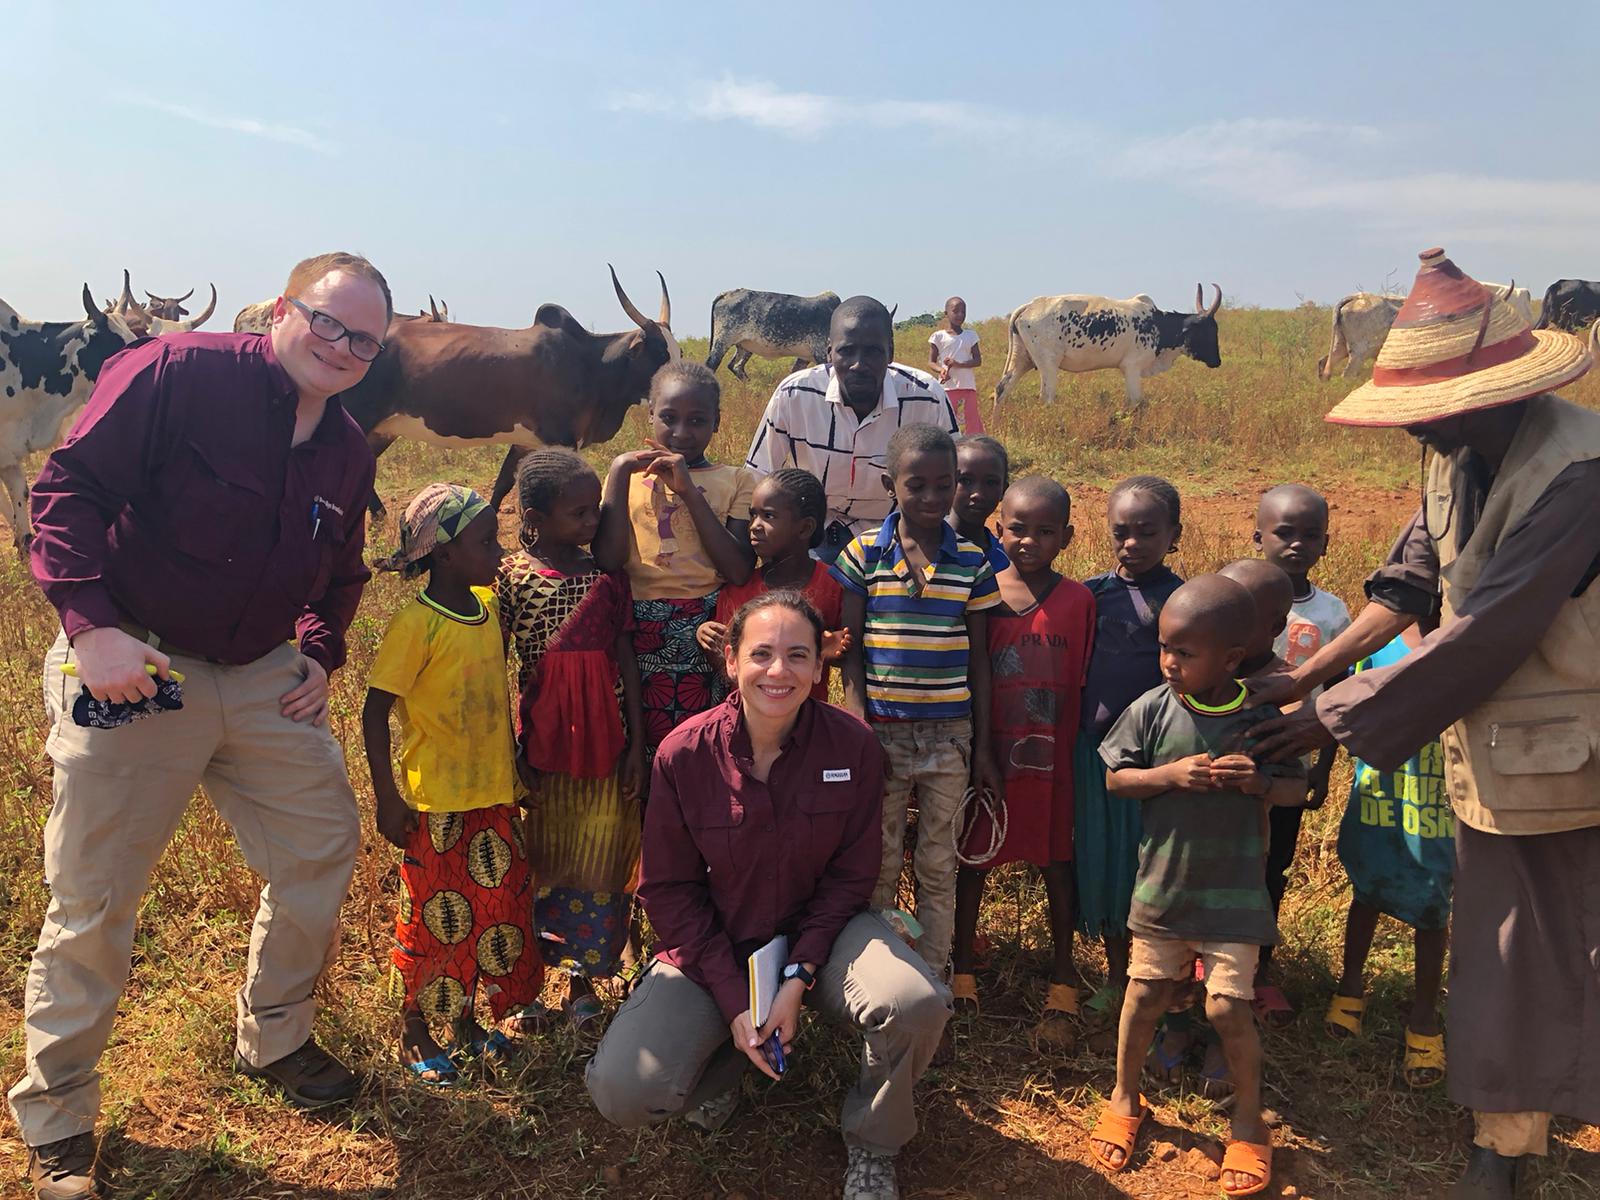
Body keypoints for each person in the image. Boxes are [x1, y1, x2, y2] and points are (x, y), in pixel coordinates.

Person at [12, 252, 386, 1199]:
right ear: (282, 311)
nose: (343, 349)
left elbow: (339, 570)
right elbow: (65, 491)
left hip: (261, 672)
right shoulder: (178, 372)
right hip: (139, 660)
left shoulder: (347, 445)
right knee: (95, 895)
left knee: (320, 845)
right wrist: (90, 630)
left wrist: (321, 648)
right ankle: (58, 1113)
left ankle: (275, 1036)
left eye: (366, 341)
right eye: (328, 322)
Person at [1245, 248, 1598, 1200]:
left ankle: (1512, 1144)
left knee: (1548, 946)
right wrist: (1303, 676)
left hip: (1573, 762)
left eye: (1425, 411)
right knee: (1516, 952)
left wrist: (1327, 717)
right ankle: (1510, 1139)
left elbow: (1492, 630)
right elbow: (1408, 586)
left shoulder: (1578, 470)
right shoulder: (1456, 458)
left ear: (1487, 393)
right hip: (1502, 763)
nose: (1414, 430)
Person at [586, 592, 952, 1200]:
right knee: (624, 1090)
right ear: (730, 660)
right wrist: (735, 1001)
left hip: (829, 934)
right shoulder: (683, 753)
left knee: (916, 1004)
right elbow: (669, 890)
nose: (778, 671)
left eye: (797, 655)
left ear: (818, 666)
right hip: (720, 942)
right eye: (761, 653)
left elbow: (850, 877)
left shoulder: (853, 746)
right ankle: (733, 1059)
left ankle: (873, 1142)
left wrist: (798, 975)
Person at [1089, 575, 1304, 1197]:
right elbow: (1116, 781)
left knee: (1227, 1006)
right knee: (1143, 998)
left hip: (1235, 898)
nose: (1169, 662)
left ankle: (1248, 1120)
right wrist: (1171, 773)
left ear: (1233, 658)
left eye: (1184, 653)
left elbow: (1297, 790)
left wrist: (1258, 782)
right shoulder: (1153, 708)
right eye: (1165, 648)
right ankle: (1126, 1099)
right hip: (1164, 892)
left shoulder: (1261, 718)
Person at [362, 484, 540, 1085]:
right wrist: (388, 796)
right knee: (433, 917)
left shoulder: (487, 607)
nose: (500, 549)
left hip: (492, 794)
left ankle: (465, 1021)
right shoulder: (418, 625)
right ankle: (415, 1025)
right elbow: (374, 710)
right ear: (443, 555)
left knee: (492, 910)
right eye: (487, 541)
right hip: (438, 801)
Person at [833, 424, 1004, 974]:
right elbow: (851, 651)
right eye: (917, 486)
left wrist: (980, 749)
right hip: (880, 732)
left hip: (949, 736)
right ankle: (888, 982)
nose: (932, 498)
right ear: (890, 485)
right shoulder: (863, 554)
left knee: (936, 864)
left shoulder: (973, 562)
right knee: (879, 864)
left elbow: (979, 659)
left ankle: (933, 982)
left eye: (943, 485)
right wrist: (859, 728)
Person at [497, 449, 645, 1034]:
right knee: (543, 858)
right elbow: (495, 666)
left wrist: (637, 747)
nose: (591, 524)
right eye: (579, 513)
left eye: (595, 512)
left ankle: (583, 982)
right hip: (544, 744)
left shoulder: (605, 579)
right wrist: (510, 751)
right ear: (533, 516)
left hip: (609, 743)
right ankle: (530, 981)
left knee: (601, 857)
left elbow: (626, 658)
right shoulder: (510, 578)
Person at [950, 477, 1093, 1048]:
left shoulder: (1079, 600)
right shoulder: (983, 591)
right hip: (991, 753)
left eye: (1045, 531)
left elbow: (1082, 677)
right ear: (998, 529)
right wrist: (978, 748)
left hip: (1054, 756)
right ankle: (962, 965)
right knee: (975, 858)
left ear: (1067, 536)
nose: (1029, 541)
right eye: (1016, 529)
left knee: (1059, 861)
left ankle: (1063, 973)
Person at [594, 361, 756, 762]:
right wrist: (617, 471)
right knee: (642, 746)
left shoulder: (737, 480)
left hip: (707, 629)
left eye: (697, 420)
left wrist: (687, 489)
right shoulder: (625, 477)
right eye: (668, 418)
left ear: (716, 423)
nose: (682, 433)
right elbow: (609, 560)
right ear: (648, 414)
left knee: (705, 746)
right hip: (636, 629)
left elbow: (737, 569)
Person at [1324, 624, 1452, 1090]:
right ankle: (1351, 984)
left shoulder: (1472, 637)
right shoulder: (1380, 638)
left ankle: (1424, 1013)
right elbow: (1348, 702)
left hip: (1439, 792)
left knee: (1434, 901)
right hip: (1380, 786)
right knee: (1369, 885)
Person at [1074, 476, 1184, 1015]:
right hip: (1094, 752)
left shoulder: (1184, 600)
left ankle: (1158, 979)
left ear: (1174, 535)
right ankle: (1117, 976)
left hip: (1158, 761)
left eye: (1147, 532)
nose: (1133, 543)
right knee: (1104, 862)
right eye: (1122, 532)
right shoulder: (1091, 594)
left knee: (1150, 868)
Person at [746, 296, 959, 560]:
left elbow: (955, 482)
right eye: (846, 351)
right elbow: (756, 478)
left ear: (890, 352)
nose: (859, 365)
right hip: (813, 534)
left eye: (872, 351)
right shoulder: (794, 395)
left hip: (897, 535)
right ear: (829, 352)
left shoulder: (927, 397)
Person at [1252, 483, 1350, 1024]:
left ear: (1326, 543)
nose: (1296, 545)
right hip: (1237, 753)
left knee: (1275, 865)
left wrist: (1324, 771)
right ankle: (1204, 961)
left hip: (1292, 761)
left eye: (1310, 535)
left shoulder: (1334, 614)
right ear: (1258, 536)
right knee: (1222, 858)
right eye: (1284, 533)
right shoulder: (1236, 595)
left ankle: (1260, 970)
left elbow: (1336, 697)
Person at [696, 468, 850, 700]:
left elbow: (846, 649)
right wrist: (708, 640)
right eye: (753, 515)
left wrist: (829, 650)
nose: (754, 526)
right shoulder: (738, 589)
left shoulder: (834, 583)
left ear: (805, 527)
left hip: (808, 720)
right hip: (749, 721)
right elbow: (730, 669)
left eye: (768, 516)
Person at [950, 435, 1010, 575]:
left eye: (990, 483)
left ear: (1004, 490)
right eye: (965, 480)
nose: (977, 494)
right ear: (947, 484)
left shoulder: (1005, 559)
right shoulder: (928, 548)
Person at [929, 296, 983, 434]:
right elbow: (931, 362)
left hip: (968, 386)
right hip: (947, 388)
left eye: (963, 312)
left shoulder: (971, 335)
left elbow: (978, 360)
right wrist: (941, 370)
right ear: (946, 313)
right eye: (955, 311)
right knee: (947, 421)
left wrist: (959, 364)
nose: (960, 315)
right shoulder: (938, 336)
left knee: (971, 422)